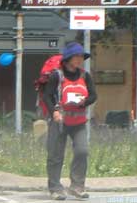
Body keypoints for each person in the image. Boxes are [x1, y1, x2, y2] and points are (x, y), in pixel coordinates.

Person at [43, 42, 97, 200]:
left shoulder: (85, 75)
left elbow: (94, 95)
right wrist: (54, 111)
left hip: (79, 121)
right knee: (55, 155)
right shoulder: (56, 76)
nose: (80, 59)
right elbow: (47, 95)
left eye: (82, 56)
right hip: (60, 120)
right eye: (77, 56)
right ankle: (55, 188)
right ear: (68, 59)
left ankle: (77, 186)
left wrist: (83, 102)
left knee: (82, 151)